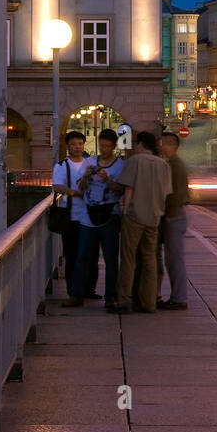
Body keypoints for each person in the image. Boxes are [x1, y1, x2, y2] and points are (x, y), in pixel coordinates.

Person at [110, 131, 173, 314]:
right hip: (154, 217)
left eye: (137, 143)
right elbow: (166, 193)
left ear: (141, 144)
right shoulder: (163, 164)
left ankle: (123, 299)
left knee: (129, 258)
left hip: (135, 215)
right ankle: (149, 302)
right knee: (150, 258)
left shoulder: (135, 161)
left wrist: (125, 208)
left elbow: (129, 188)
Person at [69, 129, 123, 308]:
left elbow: (119, 191)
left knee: (111, 258)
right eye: (102, 145)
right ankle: (77, 295)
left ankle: (111, 297)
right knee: (83, 255)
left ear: (114, 146)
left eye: (108, 146)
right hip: (88, 215)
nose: (104, 149)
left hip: (110, 215)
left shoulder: (120, 165)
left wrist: (107, 180)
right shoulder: (90, 161)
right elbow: (81, 187)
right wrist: (86, 175)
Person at [53, 131, 96, 304]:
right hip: (70, 216)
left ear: (84, 144)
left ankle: (89, 289)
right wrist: (75, 193)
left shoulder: (90, 164)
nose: (77, 147)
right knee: (72, 255)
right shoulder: (63, 165)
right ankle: (73, 290)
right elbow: (57, 186)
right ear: (68, 146)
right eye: (73, 144)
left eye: (80, 143)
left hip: (89, 216)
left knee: (90, 255)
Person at [156, 132, 191, 310]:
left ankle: (179, 298)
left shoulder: (175, 165)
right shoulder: (168, 163)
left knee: (174, 258)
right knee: (170, 258)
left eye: (168, 143)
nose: (164, 146)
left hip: (174, 216)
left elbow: (176, 194)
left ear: (175, 146)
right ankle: (176, 296)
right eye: (162, 143)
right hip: (170, 215)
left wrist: (169, 215)